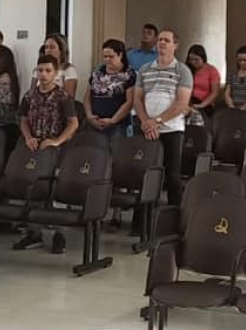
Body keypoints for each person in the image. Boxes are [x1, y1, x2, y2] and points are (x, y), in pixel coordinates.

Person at [13, 55, 80, 253]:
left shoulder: (63, 96)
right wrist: (27, 137)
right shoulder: (30, 95)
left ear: (55, 73)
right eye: (40, 70)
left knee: (56, 191)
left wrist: (58, 140)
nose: (43, 74)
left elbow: (73, 123)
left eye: (48, 71)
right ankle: (34, 232)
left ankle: (59, 234)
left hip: (56, 149)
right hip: (35, 148)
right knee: (33, 188)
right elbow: (23, 119)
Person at [132, 28, 192, 210]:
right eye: (160, 40)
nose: (162, 43)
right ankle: (142, 218)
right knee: (143, 173)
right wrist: (146, 122)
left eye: (167, 40)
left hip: (171, 129)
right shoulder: (145, 69)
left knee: (172, 174)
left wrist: (157, 121)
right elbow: (137, 99)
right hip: (146, 128)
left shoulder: (183, 70)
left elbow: (181, 103)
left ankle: (175, 215)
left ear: (175, 45)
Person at [85, 39, 137, 139]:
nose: (107, 60)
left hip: (118, 125)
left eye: (111, 56)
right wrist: (89, 116)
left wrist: (113, 120)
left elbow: (130, 102)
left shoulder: (129, 73)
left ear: (120, 55)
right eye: (105, 56)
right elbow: (87, 97)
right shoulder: (98, 71)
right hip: (94, 122)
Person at [186, 45, 223, 124]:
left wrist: (202, 105)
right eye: (191, 59)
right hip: (188, 103)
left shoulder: (211, 70)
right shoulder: (188, 70)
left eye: (196, 60)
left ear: (203, 58)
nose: (193, 62)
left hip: (205, 104)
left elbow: (215, 92)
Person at [41, 34, 81, 99]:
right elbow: (31, 94)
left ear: (61, 51)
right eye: (46, 47)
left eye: (52, 47)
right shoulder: (40, 68)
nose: (48, 50)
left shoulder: (69, 70)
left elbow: (69, 98)